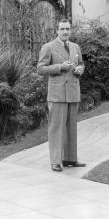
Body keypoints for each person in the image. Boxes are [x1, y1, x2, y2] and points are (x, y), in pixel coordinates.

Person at [37, 19, 86, 172]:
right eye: (62, 29)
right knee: (56, 128)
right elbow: (40, 69)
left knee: (71, 128)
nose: (65, 32)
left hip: (73, 92)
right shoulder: (48, 47)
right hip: (57, 94)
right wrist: (60, 67)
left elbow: (81, 63)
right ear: (57, 31)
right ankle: (55, 161)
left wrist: (80, 69)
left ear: (70, 31)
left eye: (68, 29)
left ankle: (70, 159)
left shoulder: (75, 47)